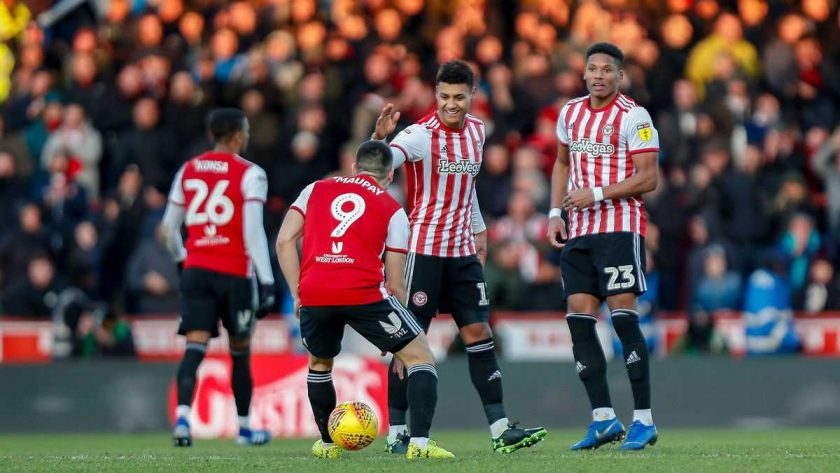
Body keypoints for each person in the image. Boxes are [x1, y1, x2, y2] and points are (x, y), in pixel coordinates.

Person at [372, 60, 546, 454]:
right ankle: (397, 433)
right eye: (445, 96)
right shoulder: (419, 135)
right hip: (424, 252)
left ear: (472, 96)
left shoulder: (478, 132)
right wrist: (379, 138)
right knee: (409, 342)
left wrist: (479, 228)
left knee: (480, 333)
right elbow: (380, 165)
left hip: (463, 252)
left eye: (459, 97)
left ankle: (500, 429)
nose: (451, 104)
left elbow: (466, 187)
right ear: (436, 95)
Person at [276, 141, 453, 459]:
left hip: (315, 291)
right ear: (390, 175)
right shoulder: (392, 208)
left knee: (319, 363)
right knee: (420, 356)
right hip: (364, 293)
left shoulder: (315, 189)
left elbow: (284, 240)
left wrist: (296, 292)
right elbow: (395, 283)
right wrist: (396, 334)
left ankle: (327, 446)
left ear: (354, 168)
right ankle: (419, 445)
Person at [547, 43, 660, 451]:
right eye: (592, 68)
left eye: (607, 70)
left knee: (623, 319)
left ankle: (643, 420)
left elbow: (648, 178)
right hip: (579, 231)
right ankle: (603, 419)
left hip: (619, 228)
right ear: (583, 74)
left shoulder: (635, 116)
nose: (598, 75)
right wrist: (554, 213)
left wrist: (595, 194)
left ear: (619, 76)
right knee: (578, 319)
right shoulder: (570, 113)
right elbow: (562, 163)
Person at [161, 108, 276, 447]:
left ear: (213, 135)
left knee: (194, 347)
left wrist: (182, 259)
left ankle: (183, 422)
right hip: (234, 274)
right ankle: (244, 429)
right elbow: (252, 231)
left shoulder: (188, 169)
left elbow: (168, 229)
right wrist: (267, 281)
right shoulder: (251, 173)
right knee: (239, 350)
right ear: (238, 136)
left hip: (196, 270)